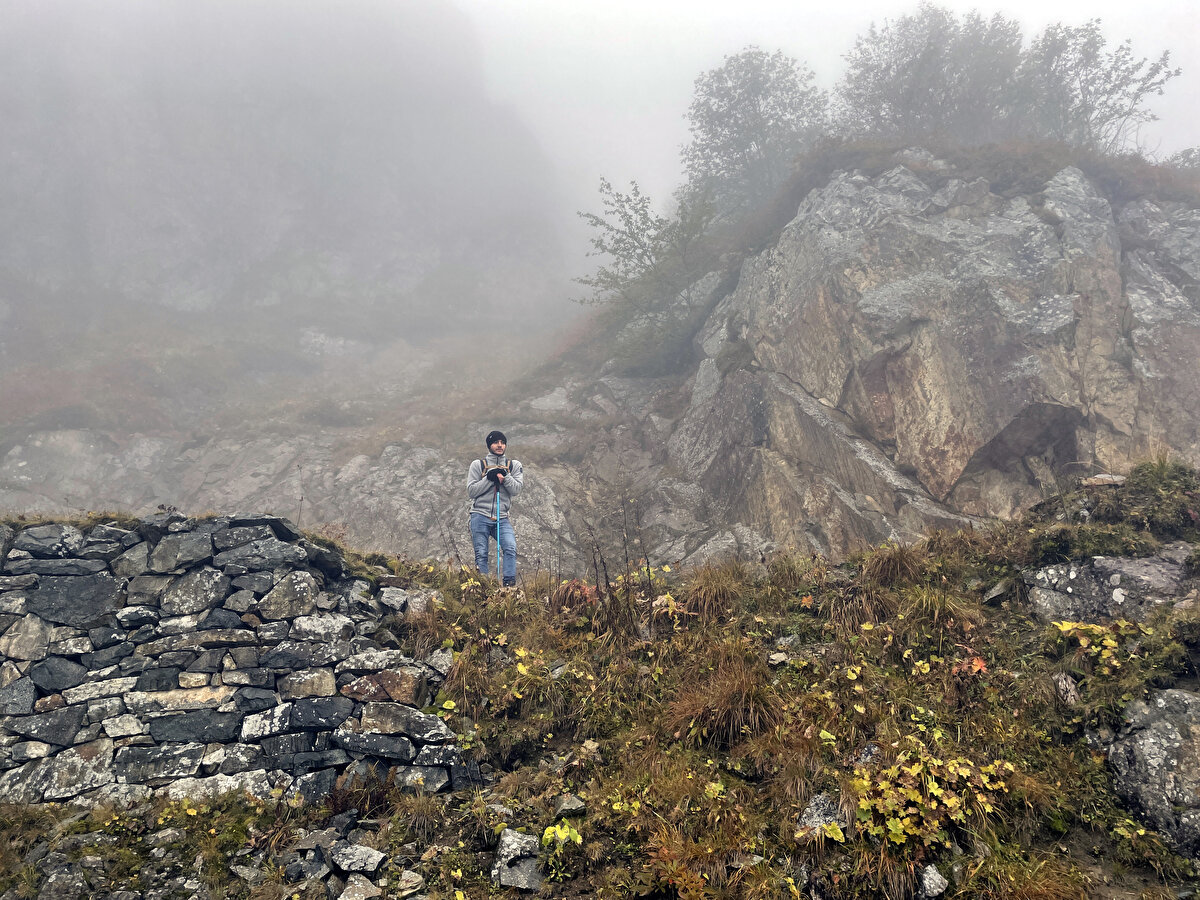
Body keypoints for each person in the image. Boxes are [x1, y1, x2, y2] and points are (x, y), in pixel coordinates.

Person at [467, 430, 524, 586]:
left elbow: (516, 489)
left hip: (502, 517)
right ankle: (484, 587)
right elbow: (471, 491)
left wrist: (505, 476)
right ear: (489, 445)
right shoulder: (478, 465)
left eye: (503, 442)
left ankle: (509, 586)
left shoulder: (514, 466)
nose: (500, 445)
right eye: (496, 442)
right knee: (481, 554)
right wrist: (489, 478)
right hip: (479, 515)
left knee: (510, 547)